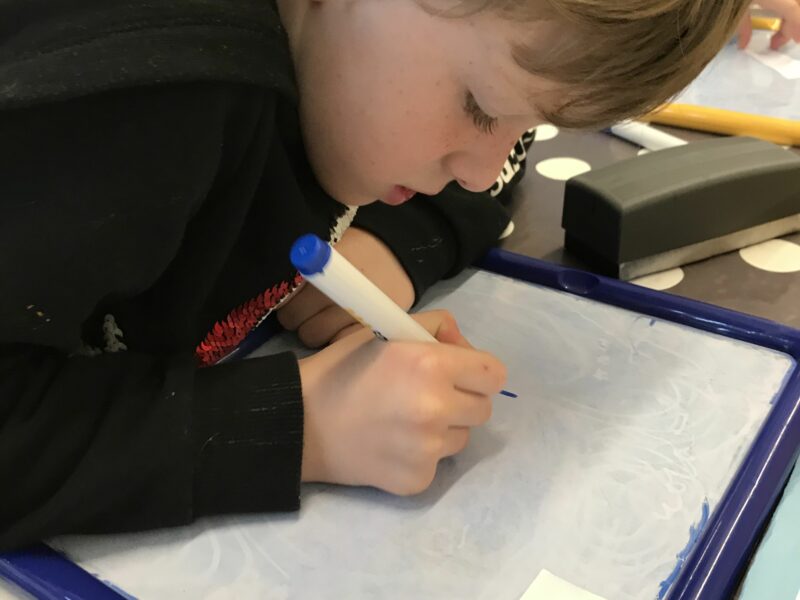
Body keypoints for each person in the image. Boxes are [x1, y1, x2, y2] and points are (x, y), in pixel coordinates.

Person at [0, 0, 750, 551]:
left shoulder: (376, 65)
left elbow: (500, 162)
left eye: (529, 121)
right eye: (478, 108)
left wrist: (398, 239)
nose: (480, 167)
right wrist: (299, 426)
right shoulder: (147, 96)